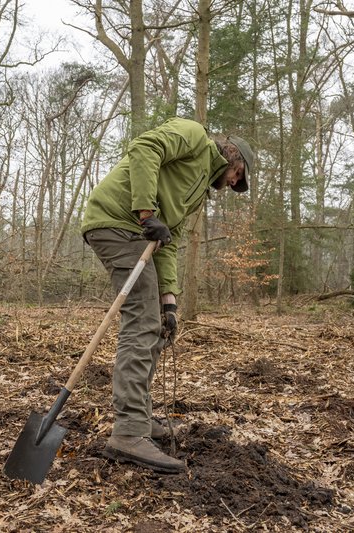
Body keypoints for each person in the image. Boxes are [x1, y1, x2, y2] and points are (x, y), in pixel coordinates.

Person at [80, 117, 254, 474]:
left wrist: (170, 302)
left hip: (138, 233)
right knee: (141, 321)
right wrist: (147, 213)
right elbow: (145, 148)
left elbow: (168, 240)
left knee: (156, 322)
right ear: (233, 156)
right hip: (118, 222)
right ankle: (128, 432)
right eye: (239, 176)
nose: (234, 184)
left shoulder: (197, 191)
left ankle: (140, 418)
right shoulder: (194, 135)